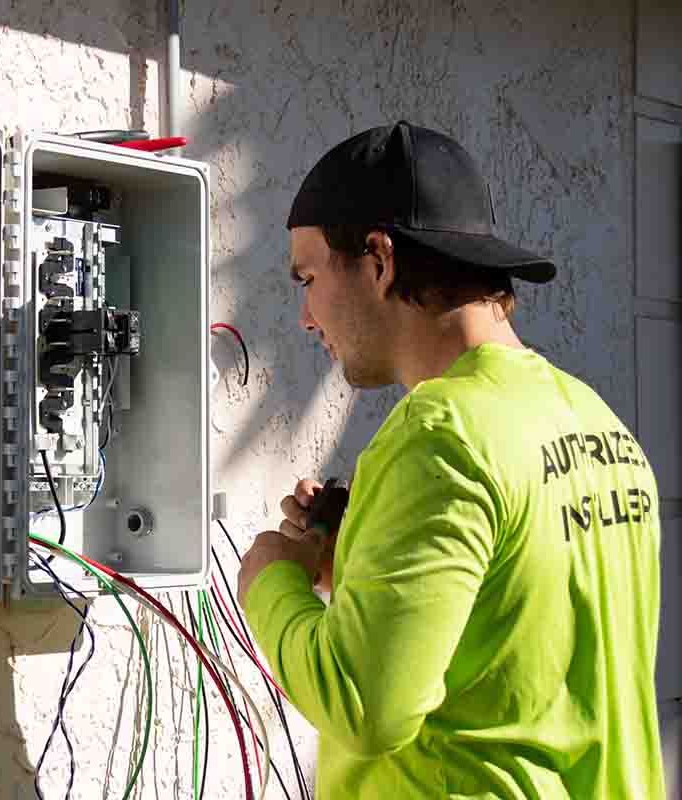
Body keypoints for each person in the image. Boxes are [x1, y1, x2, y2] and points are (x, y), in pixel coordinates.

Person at [236, 121, 665, 799]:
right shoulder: (595, 423)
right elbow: (512, 626)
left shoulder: (440, 434)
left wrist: (269, 580)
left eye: (308, 276)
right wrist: (361, 556)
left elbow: (366, 706)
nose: (304, 317)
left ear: (378, 259)